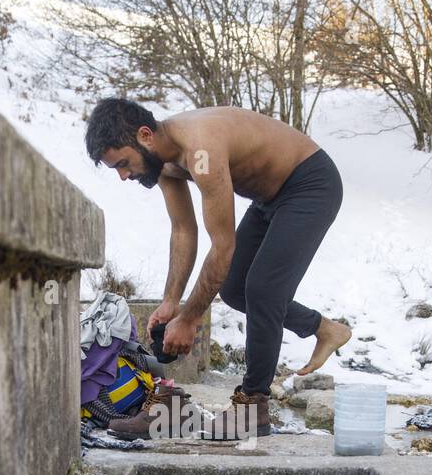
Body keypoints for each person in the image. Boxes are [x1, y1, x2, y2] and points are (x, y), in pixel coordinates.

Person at [84, 98, 351, 439]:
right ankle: (323, 328)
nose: (124, 176)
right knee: (235, 288)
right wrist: (171, 302)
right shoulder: (164, 162)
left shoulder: (200, 150)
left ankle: (253, 405)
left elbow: (222, 246)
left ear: (145, 135)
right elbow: (183, 232)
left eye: (123, 164)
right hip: (269, 197)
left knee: (263, 289)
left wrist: (191, 318)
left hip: (310, 183)